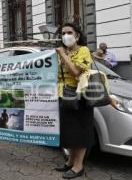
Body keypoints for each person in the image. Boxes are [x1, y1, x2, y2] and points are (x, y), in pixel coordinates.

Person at [55, 23, 93, 179]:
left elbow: (76, 72)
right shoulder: (62, 51)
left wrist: (63, 55)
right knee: (68, 132)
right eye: (63, 33)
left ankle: (79, 166)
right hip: (64, 95)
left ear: (77, 35)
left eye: (69, 32)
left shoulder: (83, 50)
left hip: (79, 96)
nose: (66, 36)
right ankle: (70, 162)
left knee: (79, 132)